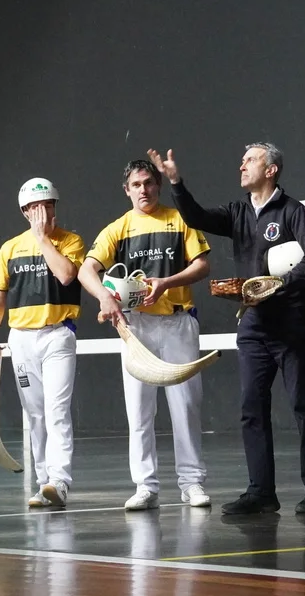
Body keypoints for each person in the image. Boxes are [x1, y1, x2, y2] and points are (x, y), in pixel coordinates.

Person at [150, 142, 305, 515]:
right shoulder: (236, 212)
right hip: (252, 326)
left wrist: (279, 284)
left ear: (271, 170)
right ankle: (261, 493)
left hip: (292, 325)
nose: (242, 165)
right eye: (242, 160)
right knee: (252, 408)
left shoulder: (292, 211)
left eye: (250, 160)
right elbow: (196, 217)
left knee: (303, 407)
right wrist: (176, 183)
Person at [78, 159, 213, 511]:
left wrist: (167, 282)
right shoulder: (118, 228)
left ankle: (192, 483)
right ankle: (145, 486)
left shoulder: (179, 219)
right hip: (135, 328)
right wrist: (105, 297)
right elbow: (86, 270)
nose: (144, 190)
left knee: (186, 406)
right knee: (138, 409)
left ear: (158, 185)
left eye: (149, 183)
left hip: (178, 323)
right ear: (127, 190)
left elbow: (202, 265)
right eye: (136, 185)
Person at [0, 177, 85, 508]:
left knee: (57, 410)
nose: (44, 213)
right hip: (22, 340)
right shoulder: (10, 248)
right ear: (25, 212)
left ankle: (60, 481)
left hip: (58, 335)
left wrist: (42, 239)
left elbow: (66, 275)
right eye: (37, 208)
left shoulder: (71, 241)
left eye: (49, 206)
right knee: (36, 414)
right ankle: (44, 484)